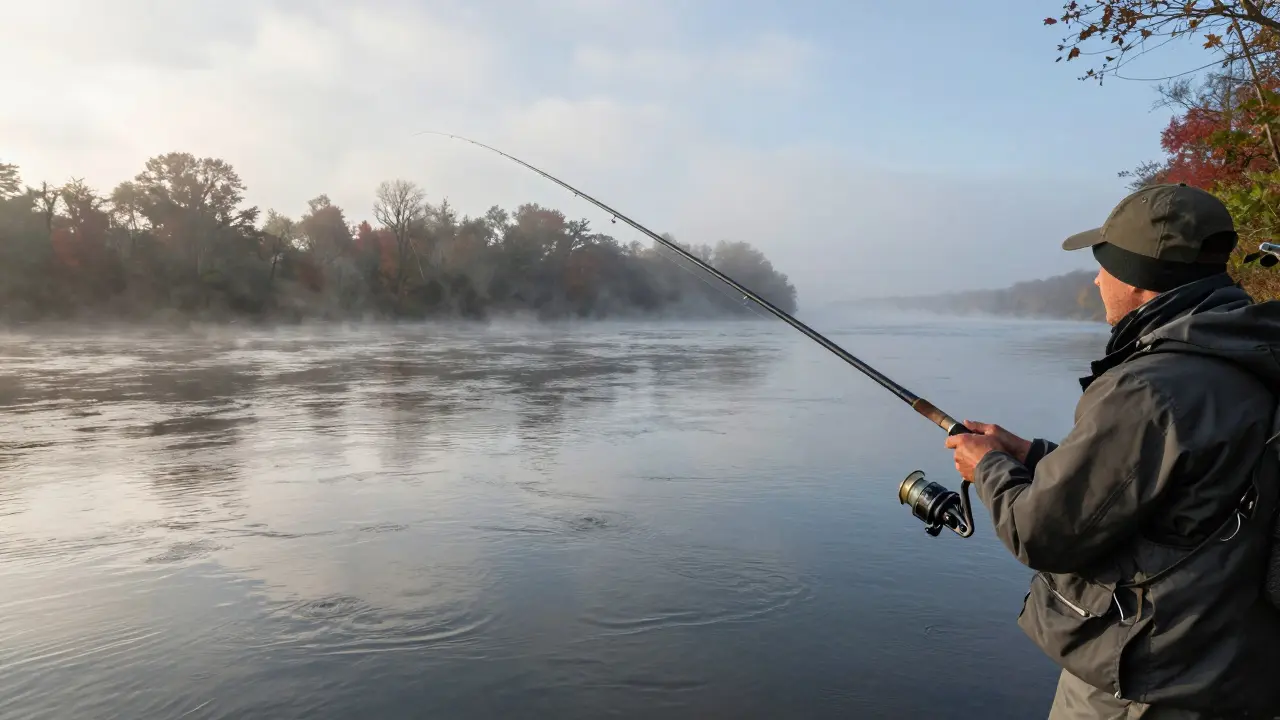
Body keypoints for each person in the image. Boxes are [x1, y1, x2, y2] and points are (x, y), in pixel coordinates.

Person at [944, 183, 1280, 719]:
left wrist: (987, 466)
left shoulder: (1149, 388)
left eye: (1105, 264)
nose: (1098, 278)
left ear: (1142, 279)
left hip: (1152, 679)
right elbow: (1180, 485)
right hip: (1238, 666)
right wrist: (1029, 455)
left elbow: (1042, 532)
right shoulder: (1250, 354)